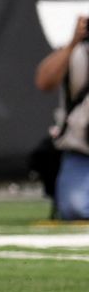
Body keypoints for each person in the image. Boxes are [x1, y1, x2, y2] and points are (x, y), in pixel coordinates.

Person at [35, 15, 89, 221]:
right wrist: (72, 43)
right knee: (74, 208)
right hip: (82, 149)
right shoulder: (78, 52)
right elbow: (44, 81)